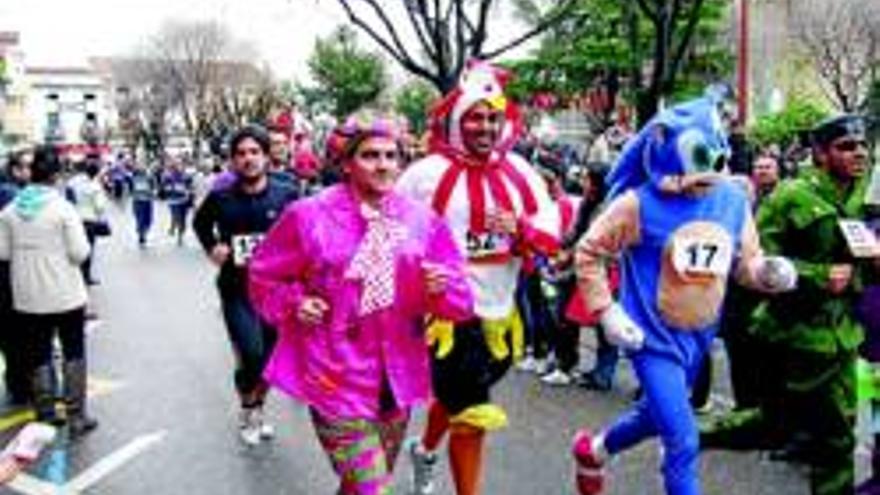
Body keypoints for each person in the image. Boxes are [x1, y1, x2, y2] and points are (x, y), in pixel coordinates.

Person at [570, 95, 798, 495]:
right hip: (648, 337)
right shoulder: (636, 204)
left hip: (698, 337)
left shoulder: (731, 200)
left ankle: (594, 450)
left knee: (654, 416)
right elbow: (589, 252)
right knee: (683, 439)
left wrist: (767, 273)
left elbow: (743, 262)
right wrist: (607, 311)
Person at [248, 110, 473, 495]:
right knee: (373, 489)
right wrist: (294, 302)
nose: (383, 165)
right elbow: (263, 274)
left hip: (397, 378)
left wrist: (440, 289)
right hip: (335, 374)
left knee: (360, 486)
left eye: (391, 156)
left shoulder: (422, 220)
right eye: (370, 155)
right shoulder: (309, 215)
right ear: (347, 163)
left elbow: (460, 301)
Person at [396, 60, 559, 495]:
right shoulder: (424, 174)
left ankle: (425, 448)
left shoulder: (521, 173)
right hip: (447, 315)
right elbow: (388, 234)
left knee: (459, 397)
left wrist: (519, 229)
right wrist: (418, 274)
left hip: (501, 311)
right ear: (455, 121)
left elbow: (550, 234)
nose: (485, 126)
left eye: (493, 117)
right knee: (472, 411)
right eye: (475, 117)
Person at [751, 115, 871, 495]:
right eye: (847, 147)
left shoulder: (862, 195)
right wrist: (817, 275)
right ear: (820, 153)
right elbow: (758, 266)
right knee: (768, 426)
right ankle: (675, 428)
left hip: (841, 334)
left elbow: (860, 263)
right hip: (792, 334)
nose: (859, 153)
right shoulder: (790, 196)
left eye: (863, 145)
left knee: (837, 439)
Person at [192, 125, 299, 446]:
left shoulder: (287, 191)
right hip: (237, 289)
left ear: (267, 156)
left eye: (254, 152)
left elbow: (303, 228)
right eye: (241, 154)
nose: (248, 159)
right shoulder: (221, 197)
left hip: (276, 292)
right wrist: (213, 247)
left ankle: (258, 406)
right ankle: (248, 407)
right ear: (233, 161)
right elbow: (200, 223)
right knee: (251, 354)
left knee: (268, 361)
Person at [0, 145, 98, 436]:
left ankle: (45, 411)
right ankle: (76, 416)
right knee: (73, 352)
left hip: (28, 296)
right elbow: (80, 252)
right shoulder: (63, 209)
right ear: (56, 174)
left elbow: (3, 254)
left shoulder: (10, 211)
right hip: (65, 294)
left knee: (38, 351)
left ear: (31, 173)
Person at [0, 150, 32, 404]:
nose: (29, 172)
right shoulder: (11, 195)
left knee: (9, 333)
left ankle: (16, 382)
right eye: (25, 167)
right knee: (18, 331)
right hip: (7, 273)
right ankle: (22, 385)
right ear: (14, 170)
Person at [67, 156, 109, 285]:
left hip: (74, 219)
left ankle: (75, 274)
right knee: (88, 249)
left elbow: (68, 198)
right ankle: (85, 276)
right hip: (89, 221)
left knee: (75, 246)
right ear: (95, 173)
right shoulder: (95, 186)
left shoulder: (72, 182)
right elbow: (99, 207)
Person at [162, 157, 194, 246]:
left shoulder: (186, 176)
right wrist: (171, 188)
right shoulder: (168, 176)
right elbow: (164, 188)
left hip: (184, 200)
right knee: (177, 216)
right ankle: (174, 228)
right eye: (176, 164)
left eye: (180, 164)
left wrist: (188, 192)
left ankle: (180, 233)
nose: (179, 166)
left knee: (183, 219)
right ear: (173, 166)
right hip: (173, 200)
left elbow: (190, 187)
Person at [129, 162, 158, 247]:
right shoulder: (133, 177)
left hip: (148, 200)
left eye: (143, 166)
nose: (141, 167)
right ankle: (141, 235)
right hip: (137, 201)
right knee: (139, 219)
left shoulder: (150, 176)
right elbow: (130, 188)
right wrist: (133, 194)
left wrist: (154, 192)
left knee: (148, 220)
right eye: (139, 166)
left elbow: (154, 186)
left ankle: (144, 232)